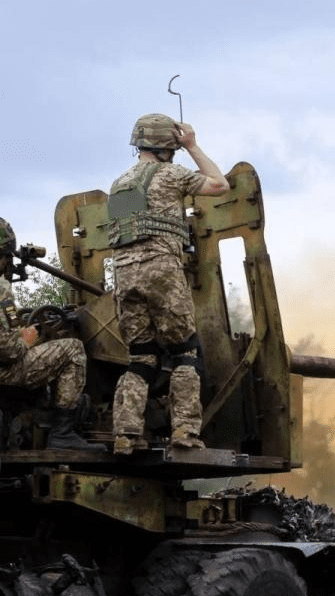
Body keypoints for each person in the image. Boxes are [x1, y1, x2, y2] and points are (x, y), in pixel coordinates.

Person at [107, 113, 229, 454]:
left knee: (141, 358)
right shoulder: (172, 174)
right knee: (185, 352)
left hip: (124, 276)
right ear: (167, 147)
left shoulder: (120, 184)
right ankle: (185, 432)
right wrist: (193, 145)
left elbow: (124, 237)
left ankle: (126, 435)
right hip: (161, 271)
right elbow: (220, 185)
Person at [0, 218, 102, 450]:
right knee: (73, 350)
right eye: (7, 258)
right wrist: (27, 339)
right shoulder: (1, 290)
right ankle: (63, 433)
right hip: (5, 372)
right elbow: (8, 350)